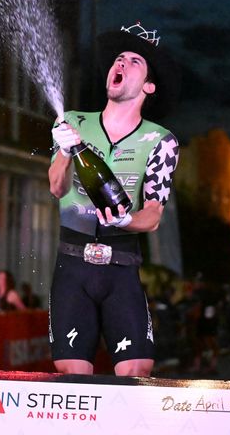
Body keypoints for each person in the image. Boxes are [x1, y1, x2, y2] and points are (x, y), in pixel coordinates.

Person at [48, 21, 180, 377]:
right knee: (73, 377)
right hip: (72, 266)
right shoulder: (74, 121)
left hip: (121, 267)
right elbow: (57, 188)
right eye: (118, 58)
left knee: (137, 371)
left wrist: (125, 221)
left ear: (148, 86)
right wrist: (65, 150)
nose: (120, 64)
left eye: (134, 61)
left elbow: (153, 215)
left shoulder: (161, 140)